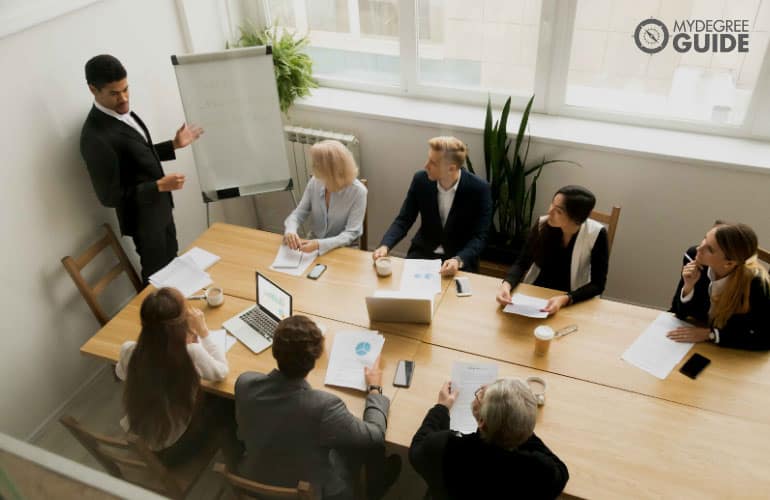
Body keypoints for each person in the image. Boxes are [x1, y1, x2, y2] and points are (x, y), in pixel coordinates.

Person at [235, 315, 400, 499]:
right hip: (317, 491)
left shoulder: (245, 383)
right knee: (365, 447)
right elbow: (375, 434)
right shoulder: (324, 407)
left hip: (256, 476)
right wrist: (375, 389)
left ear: (274, 351)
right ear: (315, 360)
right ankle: (376, 487)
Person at [80, 54, 203, 284]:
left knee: (174, 269)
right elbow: (109, 196)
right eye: (114, 93)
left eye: (126, 89)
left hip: (161, 210)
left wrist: (173, 145)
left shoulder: (123, 110)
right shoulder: (94, 137)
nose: (124, 98)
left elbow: (136, 156)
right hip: (143, 222)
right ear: (93, 90)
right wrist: (158, 185)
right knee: (157, 279)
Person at [115, 287, 230, 465]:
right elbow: (221, 372)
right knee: (228, 402)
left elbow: (121, 374)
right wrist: (204, 332)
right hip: (174, 449)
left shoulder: (129, 349)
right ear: (181, 322)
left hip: (143, 434)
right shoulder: (190, 353)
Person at [409, 378, 569, 499]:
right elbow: (562, 472)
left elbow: (416, 449)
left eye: (481, 396)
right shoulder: (539, 470)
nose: (482, 391)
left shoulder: (447, 446)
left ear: (481, 423)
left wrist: (441, 407)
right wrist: (520, 425)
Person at [372, 136, 492, 275]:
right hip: (423, 253)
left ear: (451, 168)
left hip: (458, 258)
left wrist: (458, 260)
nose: (426, 165)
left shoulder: (480, 189)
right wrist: (385, 245)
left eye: (433, 163)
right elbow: (404, 220)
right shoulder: (420, 180)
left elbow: (480, 237)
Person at [496, 185, 608, 315]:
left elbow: (598, 284)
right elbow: (521, 263)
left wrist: (565, 299)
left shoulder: (596, 234)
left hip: (572, 297)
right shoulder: (542, 224)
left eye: (558, 211)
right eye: (552, 204)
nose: (550, 211)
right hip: (535, 293)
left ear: (577, 218)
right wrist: (506, 285)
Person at [668, 221, 770, 350]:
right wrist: (688, 286)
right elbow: (679, 312)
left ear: (729, 263)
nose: (700, 248)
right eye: (705, 238)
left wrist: (711, 334)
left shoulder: (757, 284)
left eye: (709, 249)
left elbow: (765, 338)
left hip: (726, 350)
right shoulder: (693, 257)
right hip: (693, 340)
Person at [284, 140, 367, 254]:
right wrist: (290, 230)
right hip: (312, 245)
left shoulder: (358, 192)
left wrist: (319, 244)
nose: (313, 169)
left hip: (342, 249)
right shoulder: (315, 181)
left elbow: (351, 233)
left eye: (317, 166)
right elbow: (298, 213)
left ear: (332, 171)